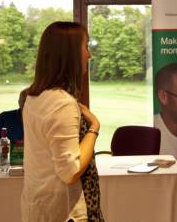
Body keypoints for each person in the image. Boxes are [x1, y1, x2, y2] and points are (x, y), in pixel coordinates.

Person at [21, 21, 104, 222]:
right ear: (70, 54)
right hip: (63, 212)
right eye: (86, 47)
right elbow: (71, 171)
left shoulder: (33, 98)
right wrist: (94, 128)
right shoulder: (62, 103)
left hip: (40, 207)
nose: (89, 54)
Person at [0, 89, 27, 159]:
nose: (26, 104)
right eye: (24, 101)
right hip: (4, 162)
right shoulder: (3, 118)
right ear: (19, 102)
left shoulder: (42, 120)